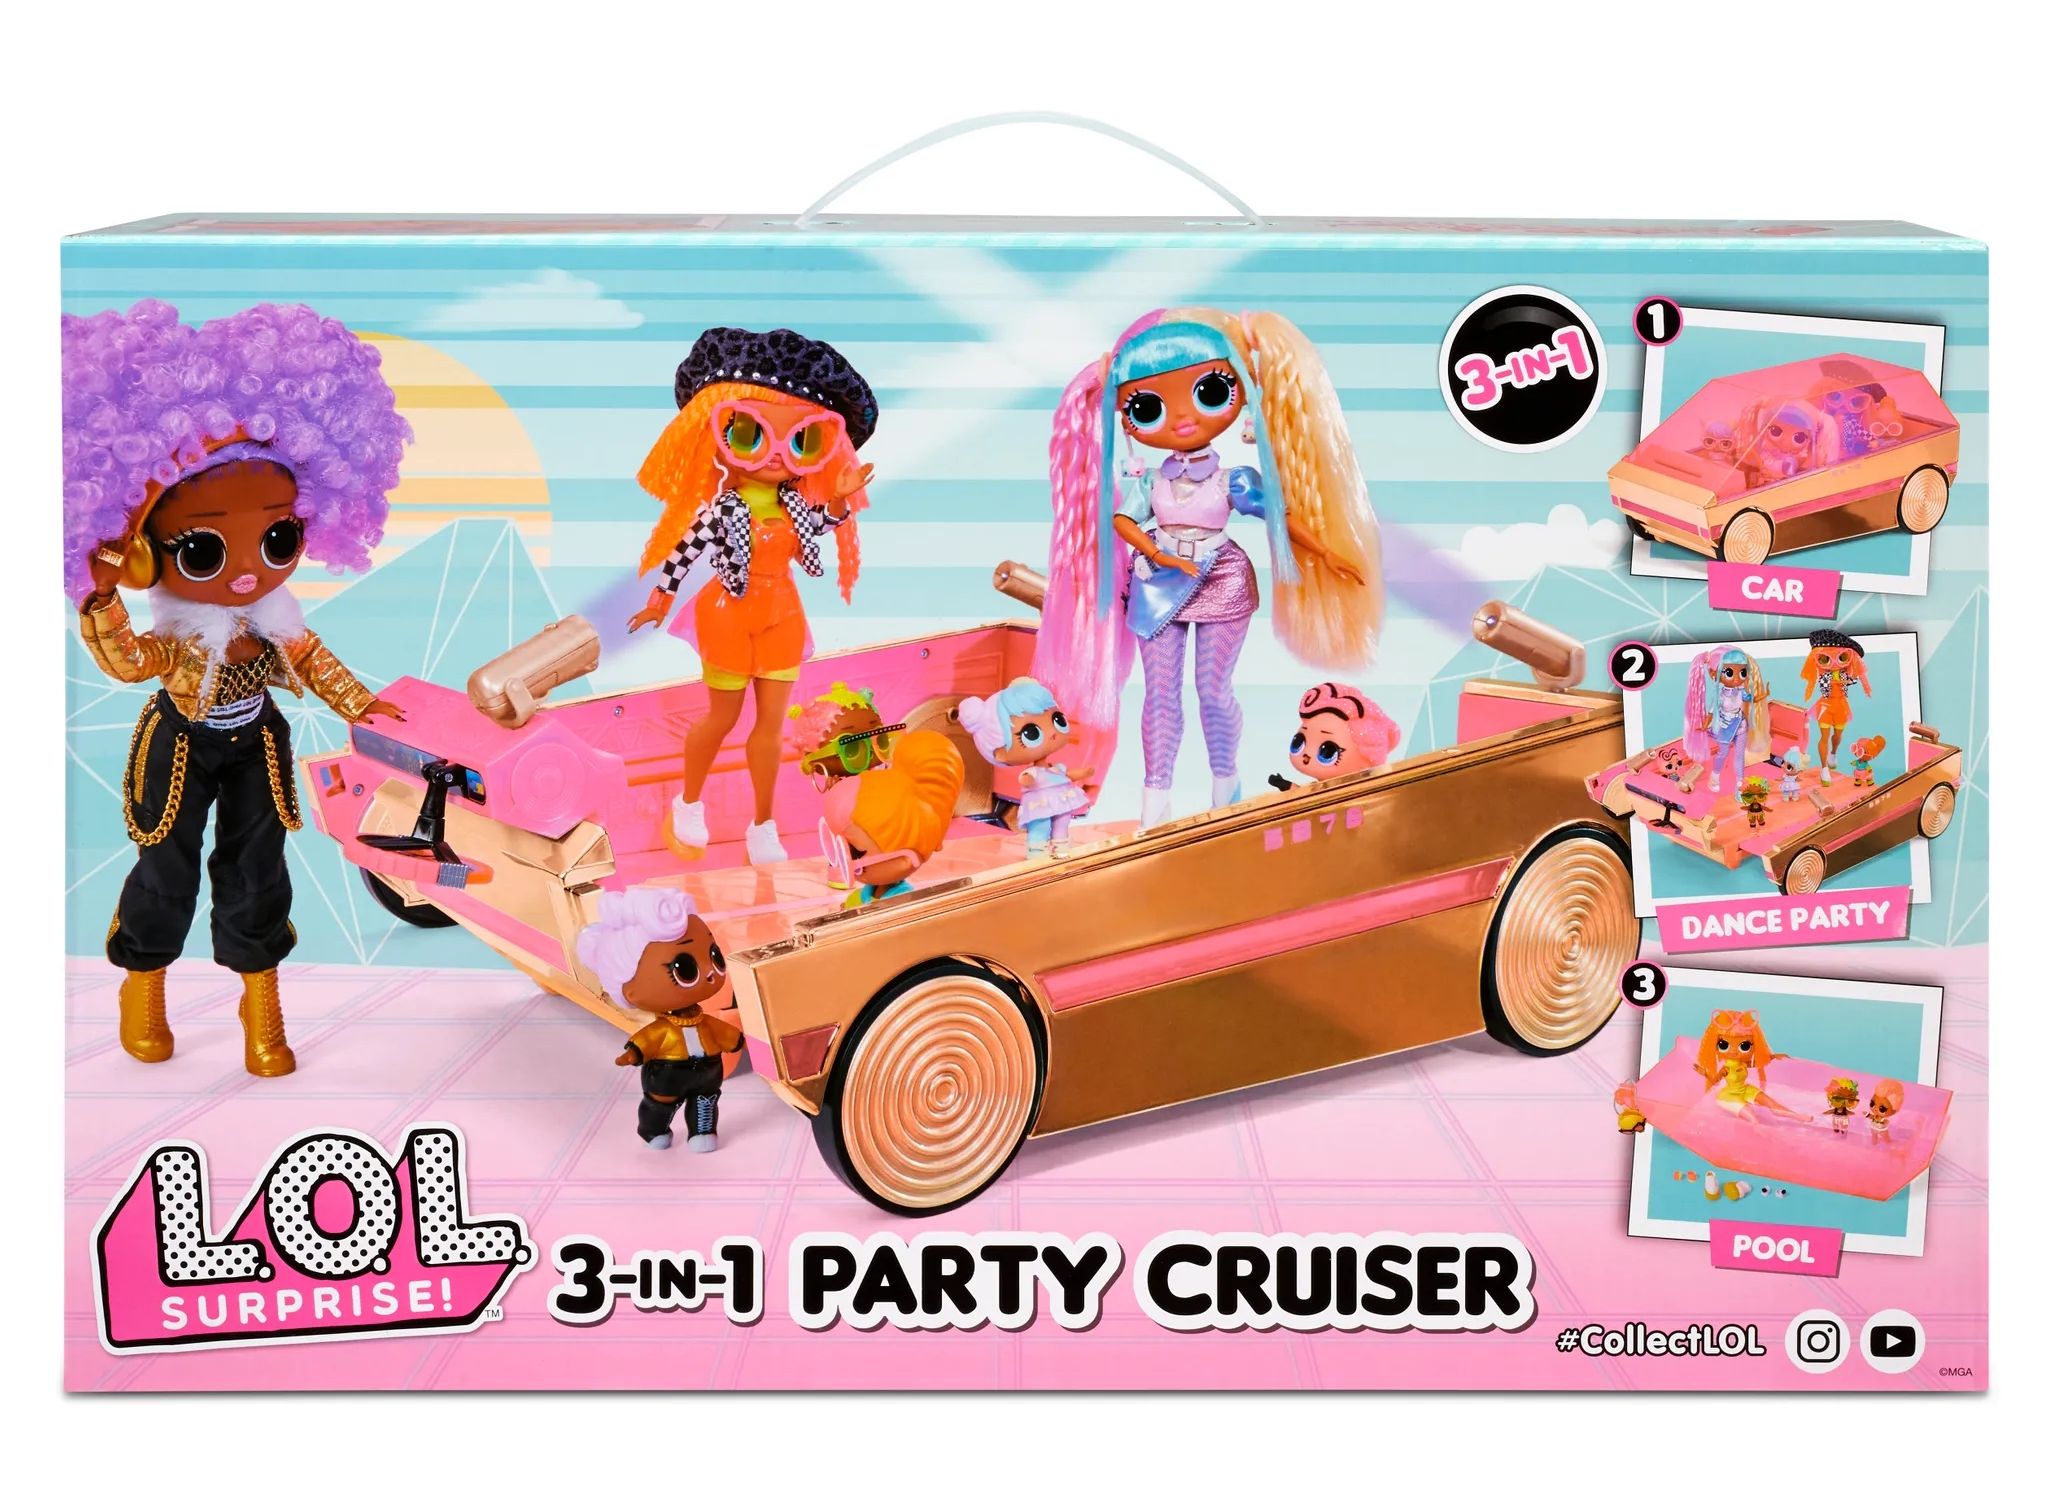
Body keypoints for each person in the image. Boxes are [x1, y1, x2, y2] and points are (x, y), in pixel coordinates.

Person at [65, 301, 410, 1075]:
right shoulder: (180, 633)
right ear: (146, 556)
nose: (251, 570)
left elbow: (315, 663)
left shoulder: (274, 620)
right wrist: (101, 599)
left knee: (259, 871)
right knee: (166, 868)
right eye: (205, 550)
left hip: (257, 743)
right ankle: (143, 986)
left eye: (279, 538)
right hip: (180, 747)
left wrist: (363, 707)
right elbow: (130, 662)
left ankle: (262, 1005)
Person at [1037, 308, 1382, 830]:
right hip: (1158, 583)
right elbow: (1122, 520)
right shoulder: (1150, 481)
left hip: (1222, 578)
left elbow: (1279, 518)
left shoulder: (1233, 481)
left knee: (1213, 690)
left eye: (1210, 392)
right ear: (1125, 419)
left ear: (1240, 394)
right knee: (1160, 696)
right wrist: (1157, 555)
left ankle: (1226, 789)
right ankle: (1155, 802)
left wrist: (1326, 553)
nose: (1182, 420)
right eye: (1147, 407)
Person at [628, 328, 878, 865]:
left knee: (770, 728)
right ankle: (689, 803)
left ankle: (763, 825)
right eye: (747, 434)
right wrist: (659, 600)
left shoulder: (795, 507)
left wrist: (839, 500)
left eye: (802, 442)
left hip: (782, 613)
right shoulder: (722, 509)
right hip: (729, 613)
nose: (774, 455)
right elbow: (684, 552)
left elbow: (822, 523)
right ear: (716, 436)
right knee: (721, 718)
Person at [577, 889, 740, 1152]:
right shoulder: (663, 1030)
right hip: (667, 1076)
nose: (710, 973)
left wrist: (736, 1040)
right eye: (685, 969)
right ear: (630, 990)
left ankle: (703, 1132)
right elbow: (646, 1041)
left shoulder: (704, 1022)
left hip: (708, 1072)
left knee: (705, 1104)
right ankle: (653, 1130)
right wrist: (633, 1054)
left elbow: (722, 1032)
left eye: (714, 955)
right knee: (659, 1107)